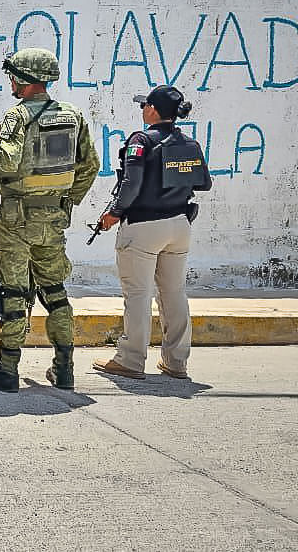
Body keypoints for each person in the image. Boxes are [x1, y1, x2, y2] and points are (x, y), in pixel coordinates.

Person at [0, 48, 99, 393]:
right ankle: (64, 368)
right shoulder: (73, 116)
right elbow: (90, 166)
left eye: (13, 77)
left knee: (13, 292)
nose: (10, 83)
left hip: (17, 218)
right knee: (55, 291)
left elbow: (6, 162)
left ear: (24, 80)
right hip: (53, 218)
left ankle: (7, 369)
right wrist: (67, 201)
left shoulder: (18, 117)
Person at [92, 85, 210, 381]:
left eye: (145, 105)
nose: (142, 109)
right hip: (179, 225)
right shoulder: (189, 143)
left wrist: (113, 213)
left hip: (144, 227)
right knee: (174, 294)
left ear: (154, 110)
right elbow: (203, 183)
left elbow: (131, 184)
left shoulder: (141, 140)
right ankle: (176, 362)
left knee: (138, 295)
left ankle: (130, 360)